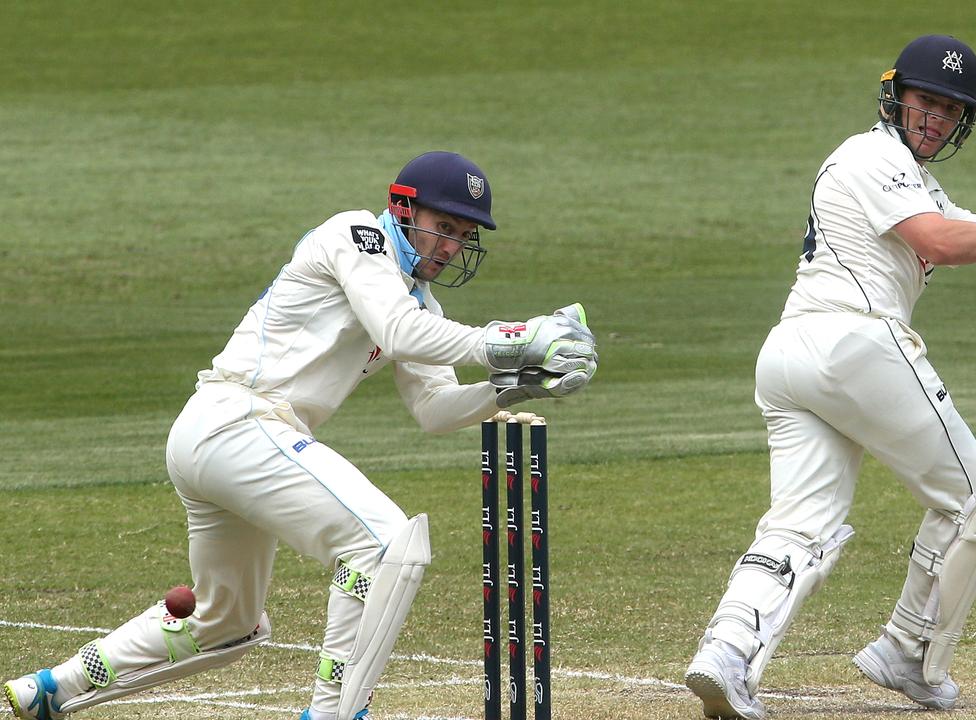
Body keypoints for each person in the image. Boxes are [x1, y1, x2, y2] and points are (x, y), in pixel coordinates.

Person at [4, 151, 598, 720]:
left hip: (228, 440)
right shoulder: (356, 235)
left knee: (228, 622)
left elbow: (436, 410)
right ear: (402, 210)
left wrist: (521, 384)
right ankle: (334, 712)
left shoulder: (420, 304)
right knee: (384, 544)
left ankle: (51, 690)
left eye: (464, 235)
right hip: (239, 420)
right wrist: (514, 336)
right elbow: (399, 332)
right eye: (443, 226)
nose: (450, 246)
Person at [683, 34, 976, 717]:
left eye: (950, 110)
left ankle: (727, 653)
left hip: (794, 357)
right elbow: (943, 243)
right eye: (925, 102)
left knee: (799, 525)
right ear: (895, 96)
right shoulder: (870, 155)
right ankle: (907, 650)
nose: (935, 120)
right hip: (852, 343)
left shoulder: (916, 180)